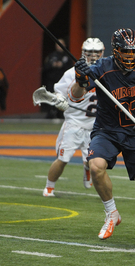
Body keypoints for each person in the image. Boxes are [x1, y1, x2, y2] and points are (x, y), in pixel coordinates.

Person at [70, 28, 135, 241]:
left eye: (133, 51)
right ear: (116, 51)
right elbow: (76, 95)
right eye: (125, 52)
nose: (130, 56)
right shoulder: (101, 68)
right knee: (96, 166)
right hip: (107, 130)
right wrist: (80, 78)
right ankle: (111, 213)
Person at [42, 37, 105, 197]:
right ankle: (49, 187)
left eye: (96, 52)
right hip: (74, 123)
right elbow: (58, 93)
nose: (92, 55)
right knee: (62, 159)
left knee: (94, 162)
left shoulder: (107, 73)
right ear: (83, 53)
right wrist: (59, 101)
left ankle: (87, 169)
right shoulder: (71, 73)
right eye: (89, 52)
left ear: (102, 53)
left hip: (95, 126)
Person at [42, 38, 74, 118]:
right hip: (52, 81)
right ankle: (50, 113)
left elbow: (72, 69)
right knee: (51, 97)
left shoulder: (68, 56)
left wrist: (62, 65)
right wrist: (53, 65)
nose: (59, 46)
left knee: (62, 97)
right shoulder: (51, 56)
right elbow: (45, 67)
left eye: (61, 44)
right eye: (58, 44)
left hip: (63, 82)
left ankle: (61, 114)